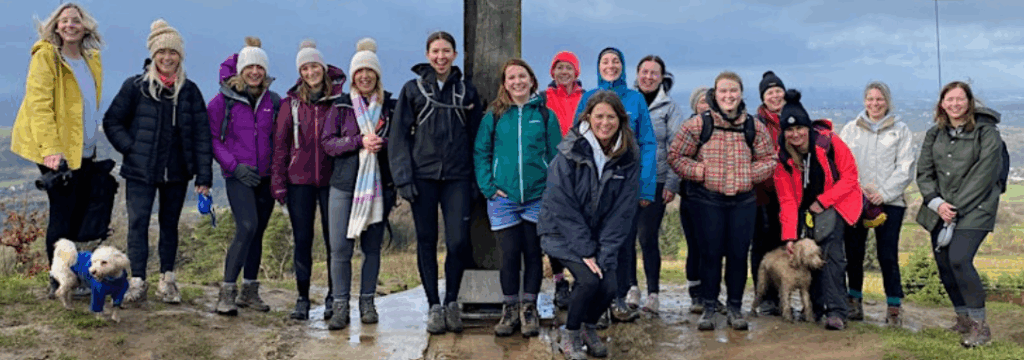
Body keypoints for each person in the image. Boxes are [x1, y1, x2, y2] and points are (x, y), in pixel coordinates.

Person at [102, 19, 212, 304]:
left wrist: (204, 176)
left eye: (173, 52)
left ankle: (168, 280)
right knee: (137, 224)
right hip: (140, 171)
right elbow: (112, 121)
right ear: (153, 54)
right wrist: (131, 148)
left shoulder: (190, 91)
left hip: (177, 172)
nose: (167, 57)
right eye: (161, 52)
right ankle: (137, 281)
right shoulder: (135, 87)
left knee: (169, 225)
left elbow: (202, 136)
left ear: (180, 56)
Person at [388, 31, 483, 334]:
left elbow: (477, 138)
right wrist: (402, 178)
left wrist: (476, 181)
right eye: (435, 51)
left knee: (457, 242)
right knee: (426, 241)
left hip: (458, 176)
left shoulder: (467, 92)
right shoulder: (412, 90)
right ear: (427, 54)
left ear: (455, 55)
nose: (441, 57)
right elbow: (398, 137)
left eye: (446, 51)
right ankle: (433, 305)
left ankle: (452, 300)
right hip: (422, 176)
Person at [667, 72, 776, 331]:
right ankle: (709, 308)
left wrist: (750, 174)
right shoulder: (698, 124)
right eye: (723, 91)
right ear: (714, 94)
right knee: (710, 255)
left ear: (740, 94)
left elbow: (770, 160)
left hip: (743, 201)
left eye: (733, 91)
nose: (728, 96)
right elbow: (676, 156)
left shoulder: (753, 126)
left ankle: (735, 308)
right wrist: (699, 172)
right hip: (708, 200)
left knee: (738, 256)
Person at [10, 2, 104, 297]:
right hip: (56, 151)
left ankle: (72, 277)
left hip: (83, 149)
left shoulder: (92, 59)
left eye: (75, 20)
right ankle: (58, 281)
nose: (69, 25)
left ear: (85, 26)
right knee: (63, 214)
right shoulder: (47, 56)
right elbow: (39, 104)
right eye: (63, 21)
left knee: (77, 213)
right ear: (55, 27)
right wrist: (51, 149)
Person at [541, 91, 639, 360]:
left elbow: (623, 210)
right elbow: (561, 204)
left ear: (620, 119)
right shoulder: (568, 151)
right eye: (599, 116)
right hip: (561, 231)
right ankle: (570, 334)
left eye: (611, 117)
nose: (604, 123)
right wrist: (585, 249)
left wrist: (604, 252)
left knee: (609, 285)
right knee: (587, 280)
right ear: (588, 118)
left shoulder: (629, 155)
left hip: (599, 235)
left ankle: (588, 327)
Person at [475, 59, 561, 337]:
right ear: (505, 84)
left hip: (537, 196)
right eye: (511, 78)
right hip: (504, 197)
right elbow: (481, 152)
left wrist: (551, 189)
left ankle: (529, 308)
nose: (517, 82)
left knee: (533, 254)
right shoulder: (494, 116)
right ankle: (510, 308)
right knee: (509, 255)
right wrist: (488, 186)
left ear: (532, 80)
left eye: (522, 76)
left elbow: (557, 156)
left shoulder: (546, 116)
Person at [916, 81, 1003, 347]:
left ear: (969, 102)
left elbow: (984, 176)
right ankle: (963, 320)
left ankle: (980, 327)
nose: (954, 104)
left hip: (976, 209)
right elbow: (924, 172)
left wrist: (953, 207)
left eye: (960, 99)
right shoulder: (934, 134)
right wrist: (937, 203)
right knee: (944, 265)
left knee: (959, 259)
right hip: (939, 211)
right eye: (949, 100)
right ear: (941, 104)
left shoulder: (987, 134)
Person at [574, 47, 656, 322]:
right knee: (592, 243)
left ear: (623, 66)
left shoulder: (635, 99)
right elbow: (576, 141)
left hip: (626, 184)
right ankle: (593, 302)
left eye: (616, 61)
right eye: (605, 61)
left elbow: (647, 143)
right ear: (598, 67)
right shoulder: (587, 98)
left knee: (622, 243)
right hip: (593, 186)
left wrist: (645, 186)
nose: (611, 65)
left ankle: (618, 299)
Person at [321, 38, 397, 330]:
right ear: (352, 76)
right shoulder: (340, 107)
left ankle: (368, 302)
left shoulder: (389, 106)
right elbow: (328, 143)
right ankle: (340, 305)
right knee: (340, 249)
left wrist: (383, 142)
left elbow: (401, 141)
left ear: (377, 74)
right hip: (343, 185)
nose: (364, 77)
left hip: (379, 186)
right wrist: (359, 141)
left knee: (372, 249)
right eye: (358, 72)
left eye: (369, 71)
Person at [773, 89, 861, 331]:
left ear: (808, 127)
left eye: (800, 128)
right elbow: (787, 200)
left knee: (832, 255)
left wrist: (823, 201)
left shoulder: (829, 142)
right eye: (789, 130)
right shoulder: (782, 158)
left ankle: (836, 311)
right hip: (805, 210)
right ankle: (816, 306)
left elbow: (850, 177)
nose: (795, 134)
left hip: (836, 202)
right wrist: (790, 235)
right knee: (807, 256)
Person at [208, 37, 278, 316]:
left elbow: (280, 138)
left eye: (260, 67)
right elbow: (213, 138)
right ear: (240, 70)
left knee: (258, 231)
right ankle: (227, 291)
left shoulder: (273, 100)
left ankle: (250, 291)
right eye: (250, 67)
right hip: (238, 175)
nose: (255, 72)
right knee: (246, 227)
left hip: (266, 176)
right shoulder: (222, 101)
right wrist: (234, 166)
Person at [271, 40, 339, 321]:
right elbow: (280, 145)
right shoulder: (291, 104)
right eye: (305, 68)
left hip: (332, 180)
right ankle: (302, 298)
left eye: (314, 66)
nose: (311, 72)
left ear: (323, 68)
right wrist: (278, 182)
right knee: (302, 240)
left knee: (334, 242)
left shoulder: (338, 100)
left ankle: (335, 297)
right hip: (298, 180)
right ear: (300, 71)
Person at [838, 81, 915, 325]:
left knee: (887, 254)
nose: (875, 104)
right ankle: (854, 300)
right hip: (856, 199)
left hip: (890, 201)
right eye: (870, 99)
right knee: (853, 252)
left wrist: (883, 193)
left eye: (879, 99)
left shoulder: (900, 130)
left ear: (887, 101)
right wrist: (858, 191)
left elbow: (906, 167)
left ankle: (893, 305)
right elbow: (842, 164)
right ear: (864, 101)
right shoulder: (851, 129)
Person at [622, 55, 683, 314]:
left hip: (656, 181)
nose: (648, 77)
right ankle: (631, 288)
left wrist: (672, 182)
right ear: (637, 75)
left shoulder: (670, 108)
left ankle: (654, 293)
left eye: (654, 73)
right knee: (625, 238)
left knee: (647, 237)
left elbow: (676, 148)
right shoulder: (626, 102)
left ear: (662, 77)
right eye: (644, 72)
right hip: (625, 181)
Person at [543, 51, 584, 309]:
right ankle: (559, 281)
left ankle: (582, 278)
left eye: (569, 68)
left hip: (580, 166)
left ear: (576, 72)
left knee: (580, 224)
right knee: (554, 225)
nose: (564, 72)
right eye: (559, 68)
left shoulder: (585, 97)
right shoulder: (544, 98)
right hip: (553, 164)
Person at [678, 86, 722, 315]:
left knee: (713, 248)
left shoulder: (723, 127)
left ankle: (711, 294)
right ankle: (696, 293)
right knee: (695, 246)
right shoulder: (688, 129)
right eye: (702, 101)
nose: (706, 105)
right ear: (695, 105)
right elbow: (678, 159)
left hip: (717, 198)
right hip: (692, 196)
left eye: (710, 101)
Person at [750, 71, 787, 316]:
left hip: (788, 194)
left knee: (783, 246)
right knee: (761, 247)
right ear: (763, 97)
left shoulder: (793, 118)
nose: (774, 95)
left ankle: (781, 296)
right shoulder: (756, 122)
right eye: (769, 92)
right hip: (761, 193)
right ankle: (763, 297)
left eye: (777, 91)